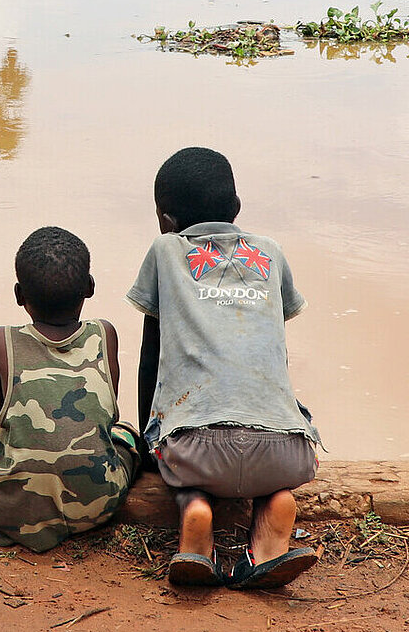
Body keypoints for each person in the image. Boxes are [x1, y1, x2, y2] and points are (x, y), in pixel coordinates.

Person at [128, 148, 321, 589]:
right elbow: (272, 349)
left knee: (181, 454)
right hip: (287, 452)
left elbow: (150, 356)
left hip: (194, 452)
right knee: (270, 438)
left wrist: (148, 440)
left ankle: (195, 512)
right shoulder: (270, 253)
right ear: (236, 209)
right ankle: (275, 507)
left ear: (165, 219)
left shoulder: (165, 250)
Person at [0, 226, 140, 553]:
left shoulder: (0, 341)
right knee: (125, 434)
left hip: (15, 513)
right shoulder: (105, 334)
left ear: (19, 295)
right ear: (89, 287)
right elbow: (106, 416)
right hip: (96, 507)